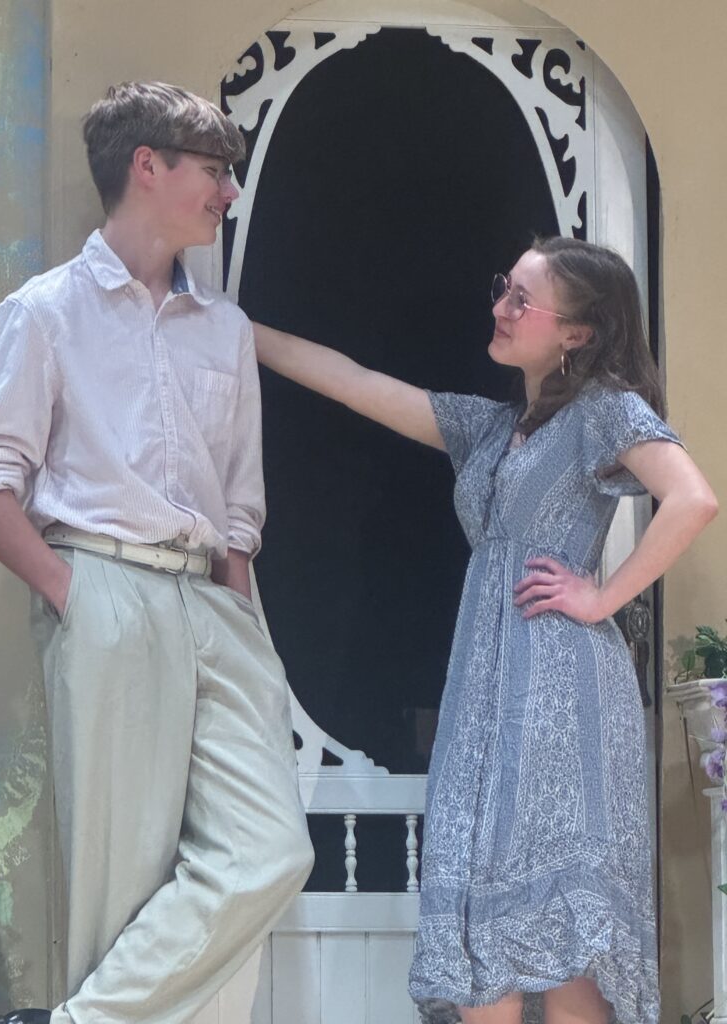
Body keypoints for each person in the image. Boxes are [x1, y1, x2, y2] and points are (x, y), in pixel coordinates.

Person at [252, 236, 718, 1024]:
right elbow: (356, 382)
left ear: (577, 333)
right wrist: (232, 327)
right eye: (506, 287)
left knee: (568, 959)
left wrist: (601, 599)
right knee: (479, 939)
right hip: (484, 691)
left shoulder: (604, 410)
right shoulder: (489, 429)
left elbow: (693, 499)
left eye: (523, 299)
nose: (501, 307)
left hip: (561, 690)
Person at [0, 81, 313, 1024]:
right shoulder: (44, 312)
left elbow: (239, 506)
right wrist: (70, 590)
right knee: (121, 880)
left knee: (272, 851)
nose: (228, 191)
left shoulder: (225, 329)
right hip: (105, 585)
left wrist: (242, 616)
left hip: (217, 602)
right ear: (146, 166)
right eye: (215, 170)